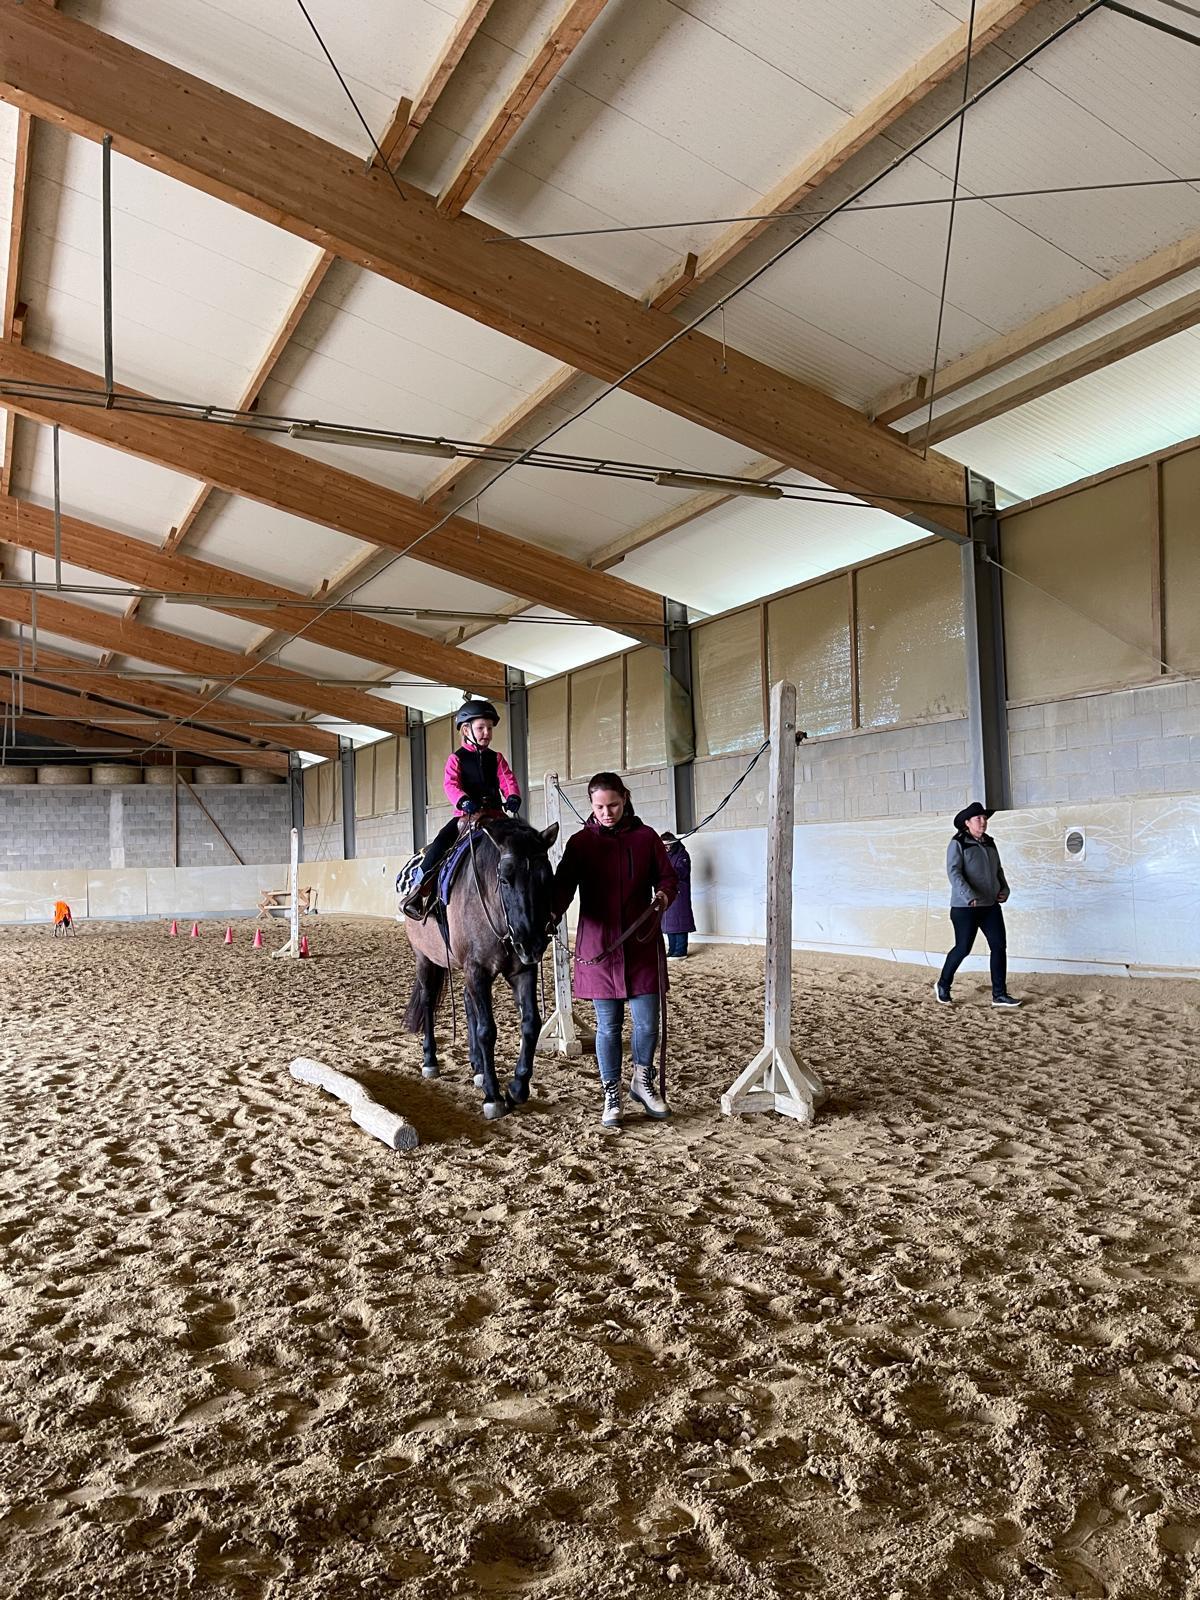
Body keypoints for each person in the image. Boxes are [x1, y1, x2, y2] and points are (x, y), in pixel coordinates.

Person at [553, 773, 678, 1130]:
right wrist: (550, 912)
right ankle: (612, 1094)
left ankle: (642, 1081)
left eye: (613, 805)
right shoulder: (580, 843)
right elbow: (563, 887)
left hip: (641, 943)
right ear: (591, 806)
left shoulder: (646, 838)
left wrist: (663, 896)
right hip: (600, 946)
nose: (607, 813)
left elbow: (668, 878)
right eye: (599, 807)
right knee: (608, 1027)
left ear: (625, 799)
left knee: (647, 1023)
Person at [402, 699, 521, 916]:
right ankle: (417, 891)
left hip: (496, 815)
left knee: (525, 842)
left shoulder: (496, 758)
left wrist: (513, 795)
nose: (487, 733)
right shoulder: (456, 758)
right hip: (466, 817)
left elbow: (507, 779)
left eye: (490, 728)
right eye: (481, 728)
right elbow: (451, 784)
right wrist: (463, 800)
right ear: (466, 730)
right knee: (440, 844)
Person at [935, 802, 1021, 1009]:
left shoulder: (990, 843)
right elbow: (954, 872)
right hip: (966, 907)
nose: (983, 822)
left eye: (984, 818)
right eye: (978, 818)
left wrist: (1004, 889)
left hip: (990, 905)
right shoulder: (958, 843)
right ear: (967, 822)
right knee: (963, 948)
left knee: (999, 946)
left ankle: (999, 994)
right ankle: (943, 984)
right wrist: (968, 895)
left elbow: (998, 870)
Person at [660, 832, 695, 958]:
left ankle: (681, 950)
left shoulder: (682, 854)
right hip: (667, 891)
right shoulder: (663, 856)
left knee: (680, 921)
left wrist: (667, 872)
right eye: (663, 845)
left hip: (680, 892)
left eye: (668, 845)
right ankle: (672, 949)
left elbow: (682, 871)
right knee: (669, 923)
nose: (666, 848)